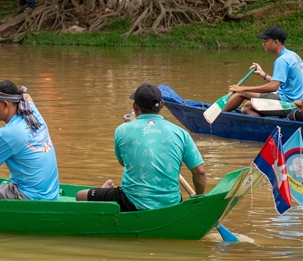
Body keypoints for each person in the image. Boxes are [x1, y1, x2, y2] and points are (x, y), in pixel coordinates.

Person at [75, 83, 206, 212]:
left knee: (79, 195)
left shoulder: (122, 130)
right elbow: (200, 172)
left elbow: (122, 162)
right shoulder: (181, 133)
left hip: (132, 202)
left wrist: (132, 125)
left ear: (135, 106)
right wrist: (199, 198)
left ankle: (104, 192)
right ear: (162, 104)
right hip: (172, 203)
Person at [224, 26, 303, 118]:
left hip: (288, 104)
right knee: (249, 104)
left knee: (243, 98)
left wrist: (242, 88)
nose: (263, 44)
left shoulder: (282, 60)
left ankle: (218, 116)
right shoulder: (293, 55)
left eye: (266, 41)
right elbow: (282, 83)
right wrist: (262, 74)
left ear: (276, 42)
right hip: (295, 100)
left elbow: (273, 87)